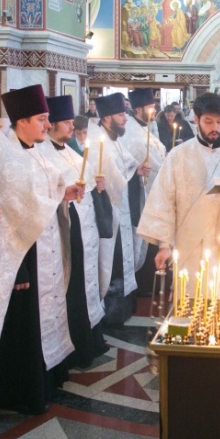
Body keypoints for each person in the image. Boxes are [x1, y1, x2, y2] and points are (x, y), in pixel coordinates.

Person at [0, 84, 80, 414]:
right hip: (19, 259)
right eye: (42, 119)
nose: (48, 124)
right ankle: (20, 392)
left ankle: (46, 381)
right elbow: (9, 224)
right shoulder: (5, 158)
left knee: (41, 320)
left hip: (41, 251)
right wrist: (20, 270)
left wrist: (63, 194)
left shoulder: (32, 150)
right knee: (21, 326)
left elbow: (41, 196)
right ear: (22, 121)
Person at [138, 93, 220, 298]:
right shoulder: (178, 156)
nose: (215, 127)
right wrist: (164, 246)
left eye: (219, 121)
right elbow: (164, 202)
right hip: (190, 246)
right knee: (190, 304)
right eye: (208, 121)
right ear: (196, 120)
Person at [39, 95, 110, 368]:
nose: (72, 127)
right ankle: (78, 347)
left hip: (86, 230)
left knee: (88, 284)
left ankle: (92, 340)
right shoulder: (43, 154)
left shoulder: (70, 152)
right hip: (67, 232)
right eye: (67, 123)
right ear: (52, 124)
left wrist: (97, 187)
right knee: (75, 287)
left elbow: (87, 184)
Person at [88, 92, 140, 327]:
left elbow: (127, 162)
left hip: (121, 208)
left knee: (122, 257)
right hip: (108, 214)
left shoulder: (114, 139)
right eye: (121, 115)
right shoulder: (98, 142)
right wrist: (128, 175)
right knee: (111, 260)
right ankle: (111, 314)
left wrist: (136, 171)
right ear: (107, 117)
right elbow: (108, 177)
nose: (126, 118)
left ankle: (123, 309)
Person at [120, 88, 167, 295]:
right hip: (140, 194)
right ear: (138, 109)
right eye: (150, 107)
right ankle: (143, 283)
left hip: (154, 192)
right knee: (143, 238)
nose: (154, 110)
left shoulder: (147, 128)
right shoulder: (130, 132)